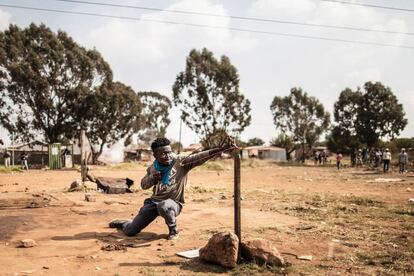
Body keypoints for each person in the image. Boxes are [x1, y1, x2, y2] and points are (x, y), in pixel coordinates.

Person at [109, 137, 236, 240]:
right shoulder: (153, 168)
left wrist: (221, 149)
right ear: (155, 155)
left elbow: (201, 156)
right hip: (153, 203)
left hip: (173, 204)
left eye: (169, 151)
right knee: (130, 231)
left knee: (164, 205)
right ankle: (124, 223)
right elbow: (143, 185)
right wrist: (153, 178)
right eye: (163, 153)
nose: (168, 155)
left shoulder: (181, 162)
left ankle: (173, 230)